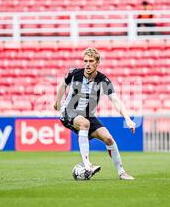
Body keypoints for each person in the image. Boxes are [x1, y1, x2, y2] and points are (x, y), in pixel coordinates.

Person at [54, 47, 136, 180]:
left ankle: (122, 173)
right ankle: (87, 165)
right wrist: (58, 102)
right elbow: (62, 86)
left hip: (88, 115)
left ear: (97, 63)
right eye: (85, 61)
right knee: (84, 123)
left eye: (91, 61)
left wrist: (127, 119)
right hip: (68, 112)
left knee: (108, 138)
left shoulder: (104, 81)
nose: (87, 64)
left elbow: (115, 100)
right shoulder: (74, 74)